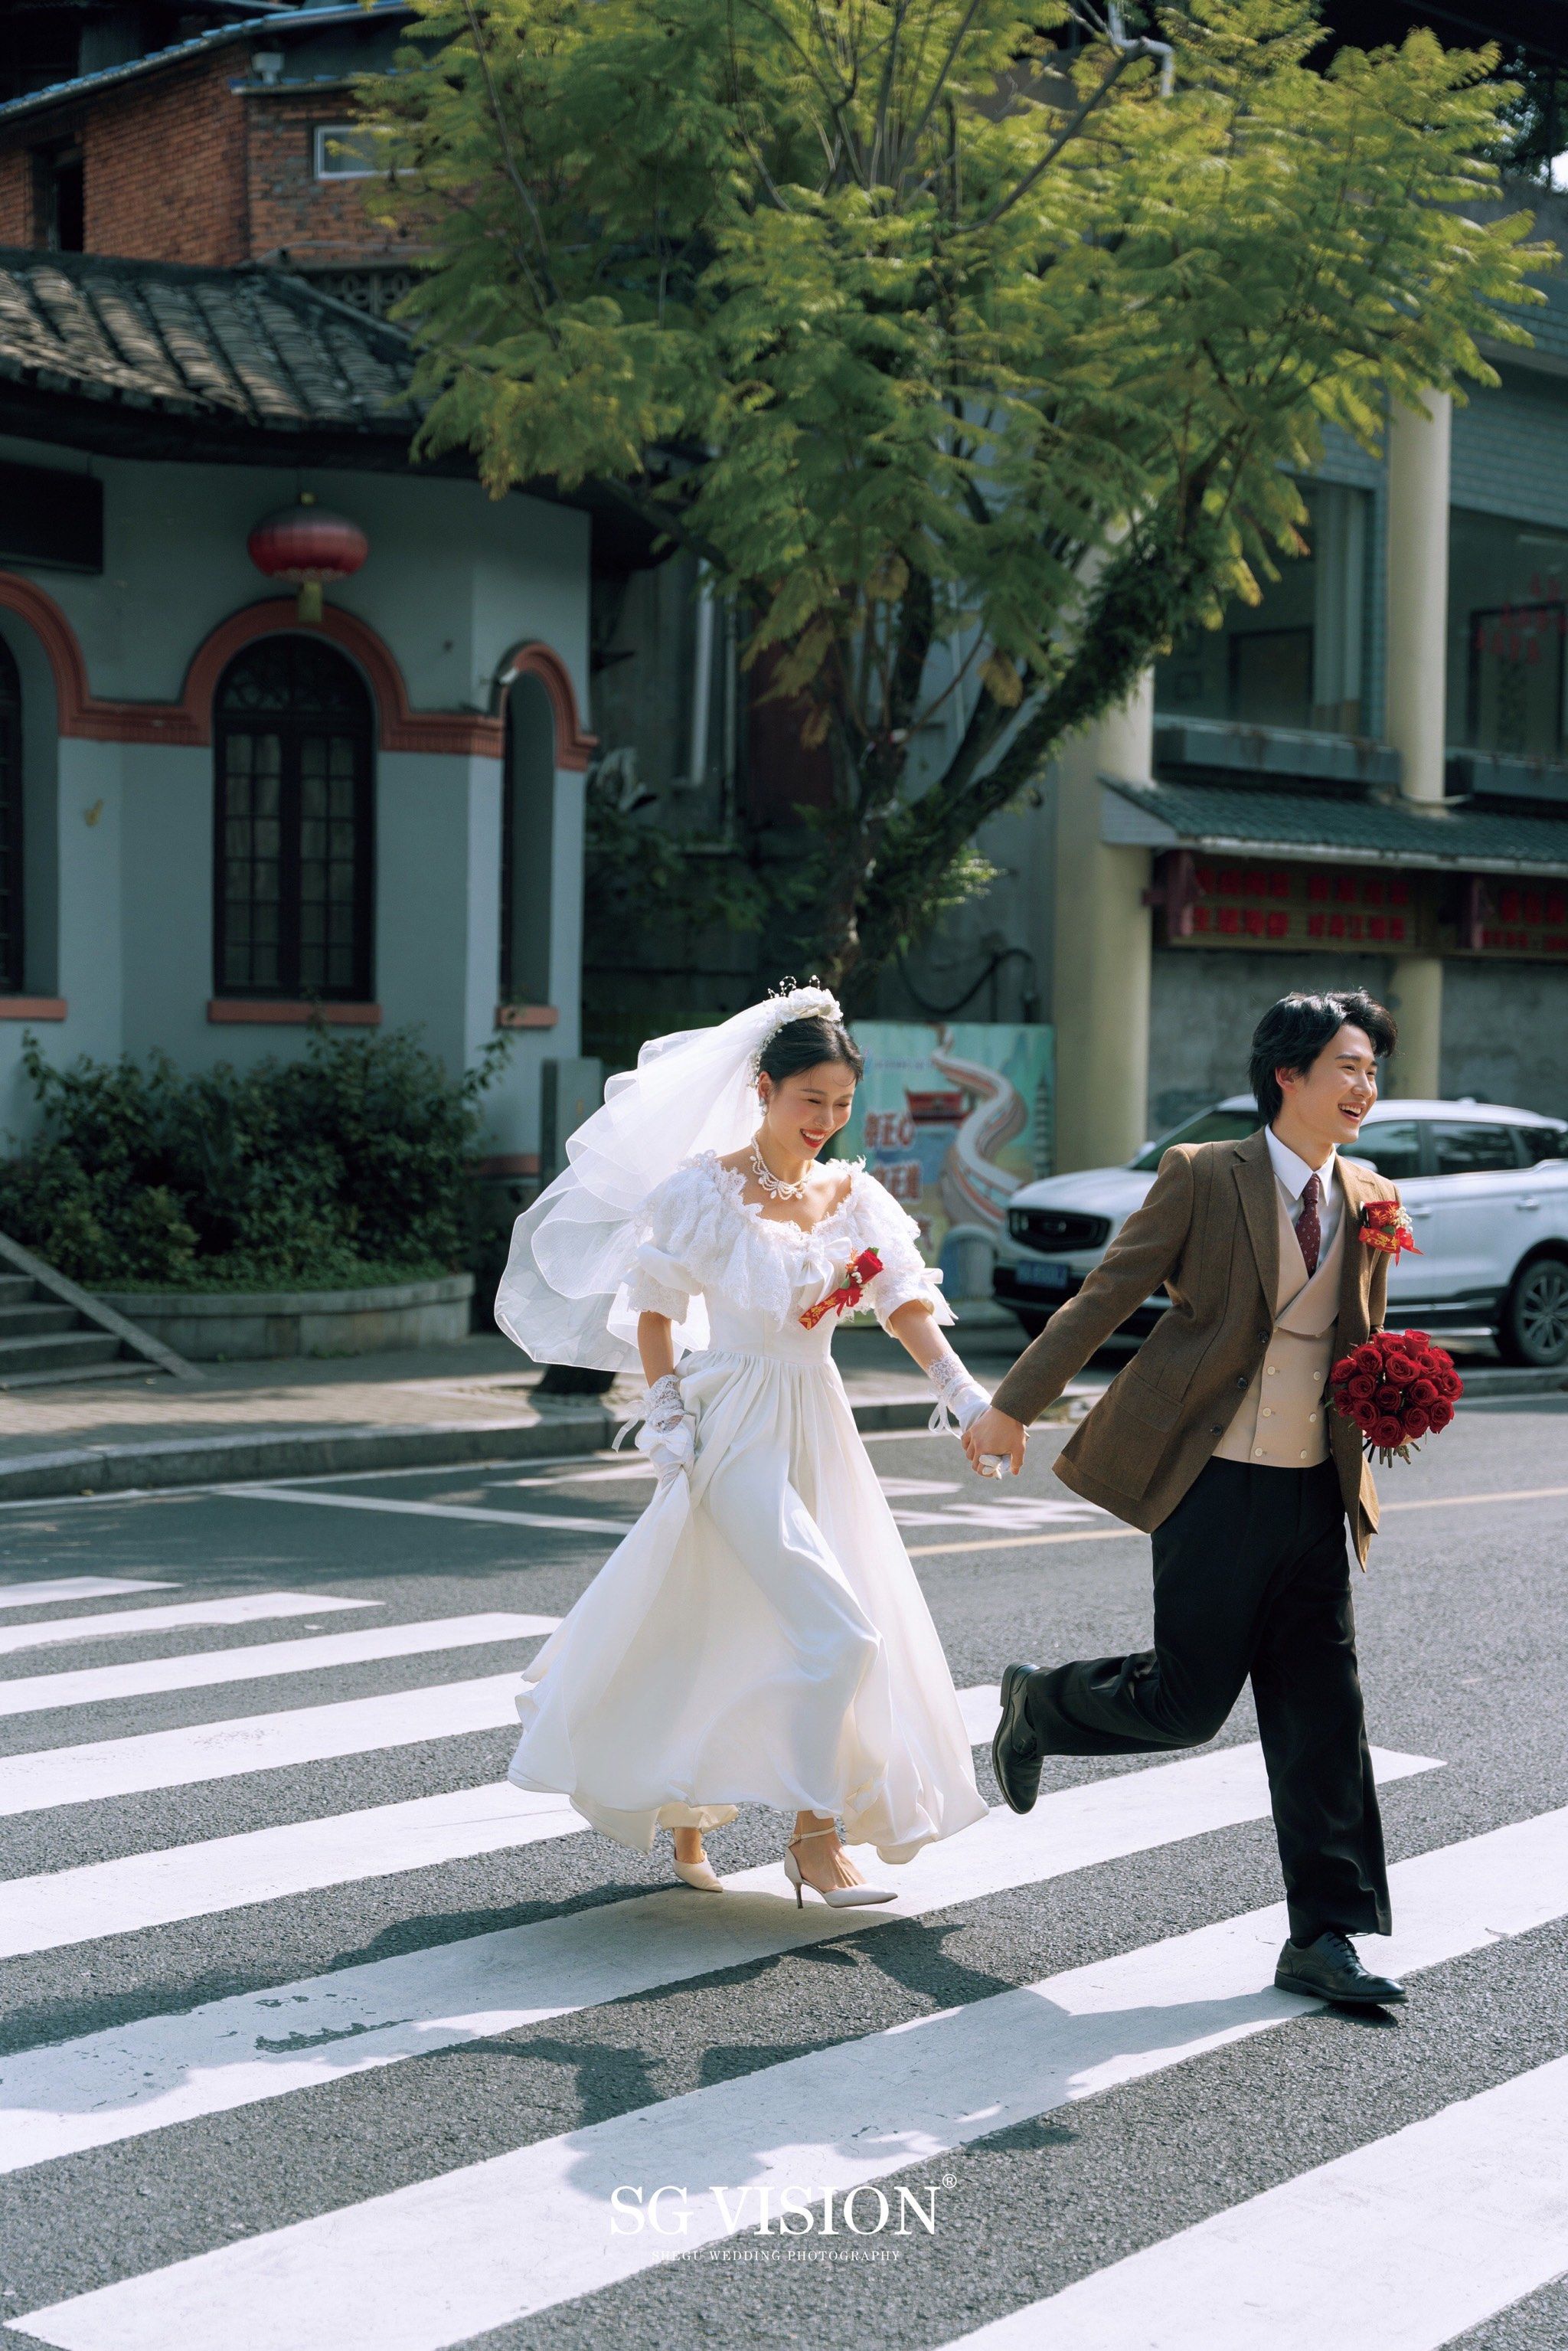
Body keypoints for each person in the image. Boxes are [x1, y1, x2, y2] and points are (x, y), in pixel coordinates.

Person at [493, 981, 991, 1907]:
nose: (825, 1122)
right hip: (731, 1424)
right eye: (810, 1100)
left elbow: (902, 1301)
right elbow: (655, 1309)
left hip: (818, 1419)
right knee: (836, 1629)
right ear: (763, 1089)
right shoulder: (703, 1190)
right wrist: (666, 1413)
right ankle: (814, 1836)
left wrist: (962, 1395)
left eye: (841, 1104)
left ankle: (712, 1808)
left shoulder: (855, 1194)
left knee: (740, 1619)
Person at [968, 989, 1410, 2007]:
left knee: (1323, 1714)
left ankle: (1325, 1934)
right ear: (1287, 1075)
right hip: (1211, 1481)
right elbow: (1107, 1293)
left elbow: (1359, 1334)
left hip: (1315, 1491)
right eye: (1347, 1066)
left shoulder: (1373, 1194)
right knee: (1184, 1705)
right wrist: (1011, 1406)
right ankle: (1041, 1703)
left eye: (1371, 1070)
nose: (1364, 1086)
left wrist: (1391, 1390)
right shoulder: (1205, 1174)